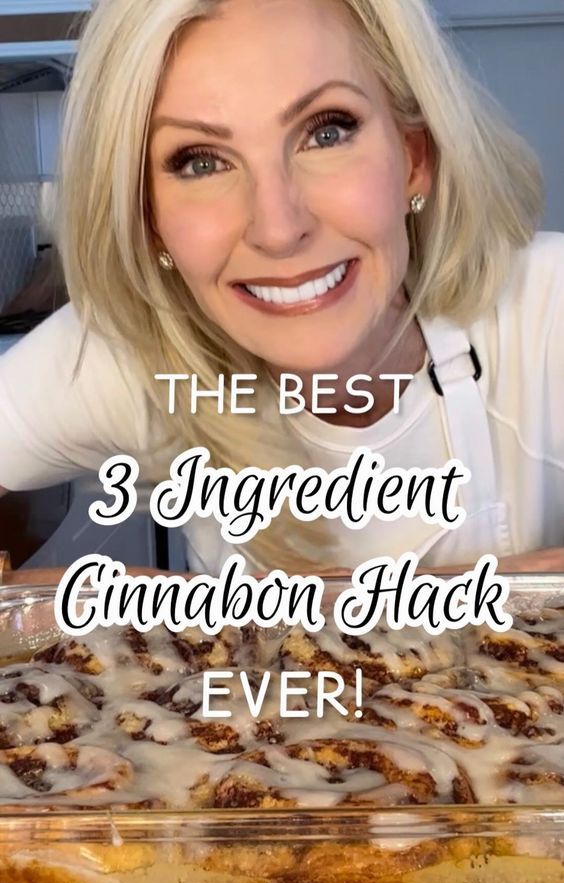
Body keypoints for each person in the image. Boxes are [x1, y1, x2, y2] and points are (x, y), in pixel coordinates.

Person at [0, 0, 563, 589]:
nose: (277, 228)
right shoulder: (129, 353)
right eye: (200, 162)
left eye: (327, 132)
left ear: (414, 159)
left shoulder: (548, 311)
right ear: (149, 220)